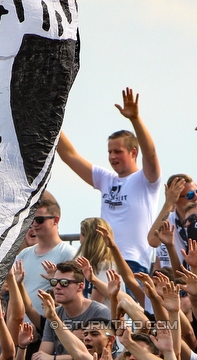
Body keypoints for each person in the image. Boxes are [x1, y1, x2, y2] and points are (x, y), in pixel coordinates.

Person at [56, 88, 161, 273]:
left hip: (132, 263)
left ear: (133, 152)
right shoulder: (105, 178)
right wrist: (51, 119)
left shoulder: (146, 180)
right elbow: (69, 155)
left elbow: (151, 154)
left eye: (118, 151)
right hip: (101, 261)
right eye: (109, 152)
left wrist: (135, 119)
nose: (112, 156)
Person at [14, 192, 76, 307]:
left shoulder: (68, 253)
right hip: (23, 324)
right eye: (31, 220)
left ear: (56, 220)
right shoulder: (24, 254)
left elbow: (74, 296)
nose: (34, 224)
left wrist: (55, 280)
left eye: (40, 220)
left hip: (50, 323)